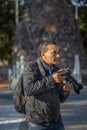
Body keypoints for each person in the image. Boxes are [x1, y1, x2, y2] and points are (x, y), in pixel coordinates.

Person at [23, 41, 73, 130]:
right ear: (43, 54)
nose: (58, 56)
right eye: (54, 53)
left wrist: (65, 91)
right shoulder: (31, 67)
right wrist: (52, 79)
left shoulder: (57, 69)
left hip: (56, 122)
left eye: (58, 53)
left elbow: (61, 99)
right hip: (37, 124)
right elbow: (28, 89)